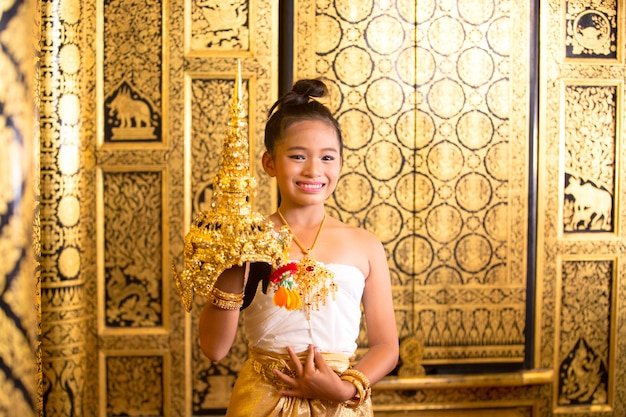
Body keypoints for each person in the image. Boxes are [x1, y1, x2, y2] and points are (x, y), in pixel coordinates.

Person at [198, 78, 399, 416]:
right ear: (269, 163)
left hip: (340, 402)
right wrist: (234, 262)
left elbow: (386, 346)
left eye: (327, 157)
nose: (313, 170)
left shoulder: (365, 246)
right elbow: (214, 349)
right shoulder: (249, 240)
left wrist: (345, 388)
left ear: (340, 164)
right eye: (297, 156)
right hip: (263, 402)